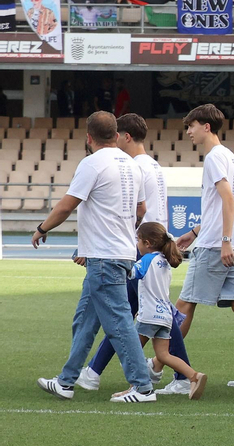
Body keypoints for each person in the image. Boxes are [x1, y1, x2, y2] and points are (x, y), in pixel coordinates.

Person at [34, 111, 156, 401]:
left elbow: (66, 206)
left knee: (119, 321)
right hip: (120, 253)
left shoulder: (91, 164)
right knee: (86, 320)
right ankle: (66, 381)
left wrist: (41, 228)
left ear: (88, 138)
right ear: (116, 135)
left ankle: (142, 386)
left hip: (103, 256)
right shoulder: (132, 164)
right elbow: (141, 211)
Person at [77, 113, 198, 396]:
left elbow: (136, 211)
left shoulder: (131, 167)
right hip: (154, 248)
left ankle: (94, 372)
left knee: (120, 316)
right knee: (149, 314)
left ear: (126, 137)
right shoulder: (152, 165)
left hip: (141, 251)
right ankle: (180, 376)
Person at [171, 103, 234, 388]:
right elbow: (219, 204)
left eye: (191, 126)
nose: (189, 131)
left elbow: (228, 199)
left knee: (183, 304)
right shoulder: (227, 156)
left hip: (217, 246)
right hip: (226, 241)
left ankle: (168, 368)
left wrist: (222, 241)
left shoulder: (214, 157)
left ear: (206, 127)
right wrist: (194, 231)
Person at [126, 221, 209, 400]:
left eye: (138, 240)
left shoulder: (147, 259)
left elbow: (131, 273)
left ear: (147, 243)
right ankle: (194, 376)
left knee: (132, 351)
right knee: (163, 354)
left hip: (148, 315)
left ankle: (136, 388)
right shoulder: (165, 261)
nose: (137, 245)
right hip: (165, 315)